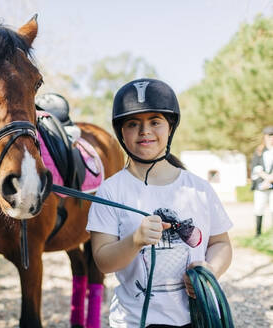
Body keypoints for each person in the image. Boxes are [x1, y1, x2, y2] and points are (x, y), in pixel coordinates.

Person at [87, 78, 233, 328]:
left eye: (155, 122)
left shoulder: (199, 188)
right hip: (133, 322)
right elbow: (103, 261)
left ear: (170, 127)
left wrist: (210, 270)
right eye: (133, 124)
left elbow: (221, 243)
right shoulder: (110, 191)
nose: (145, 131)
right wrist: (135, 241)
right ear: (121, 132)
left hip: (195, 318)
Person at [251, 126, 273, 236]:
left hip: (272, 185)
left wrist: (270, 180)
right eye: (269, 136)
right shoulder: (259, 151)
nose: (271, 138)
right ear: (265, 137)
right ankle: (258, 233)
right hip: (261, 185)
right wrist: (266, 179)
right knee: (259, 208)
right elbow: (256, 168)